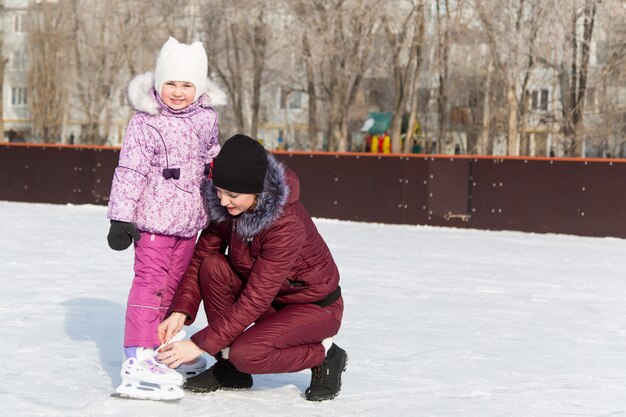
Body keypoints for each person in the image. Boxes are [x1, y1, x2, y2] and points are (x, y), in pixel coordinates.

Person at [156, 134, 347, 402]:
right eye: (219, 191)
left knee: (247, 353)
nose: (223, 201)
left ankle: (326, 353)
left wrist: (199, 344)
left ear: (257, 191)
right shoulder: (229, 209)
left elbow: (255, 299)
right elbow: (201, 258)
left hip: (314, 308)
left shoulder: (285, 224)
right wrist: (180, 310)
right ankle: (230, 369)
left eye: (232, 195)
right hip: (272, 300)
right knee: (213, 266)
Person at [106, 37, 226, 401]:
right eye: (171, 83)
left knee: (176, 288)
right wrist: (120, 217)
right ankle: (138, 355)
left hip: (190, 223)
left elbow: (214, 161)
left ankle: (165, 345)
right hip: (152, 224)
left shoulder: (207, 119)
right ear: (159, 84)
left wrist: (222, 200)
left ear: (199, 87)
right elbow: (130, 170)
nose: (178, 92)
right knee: (150, 285)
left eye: (187, 84)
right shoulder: (146, 121)